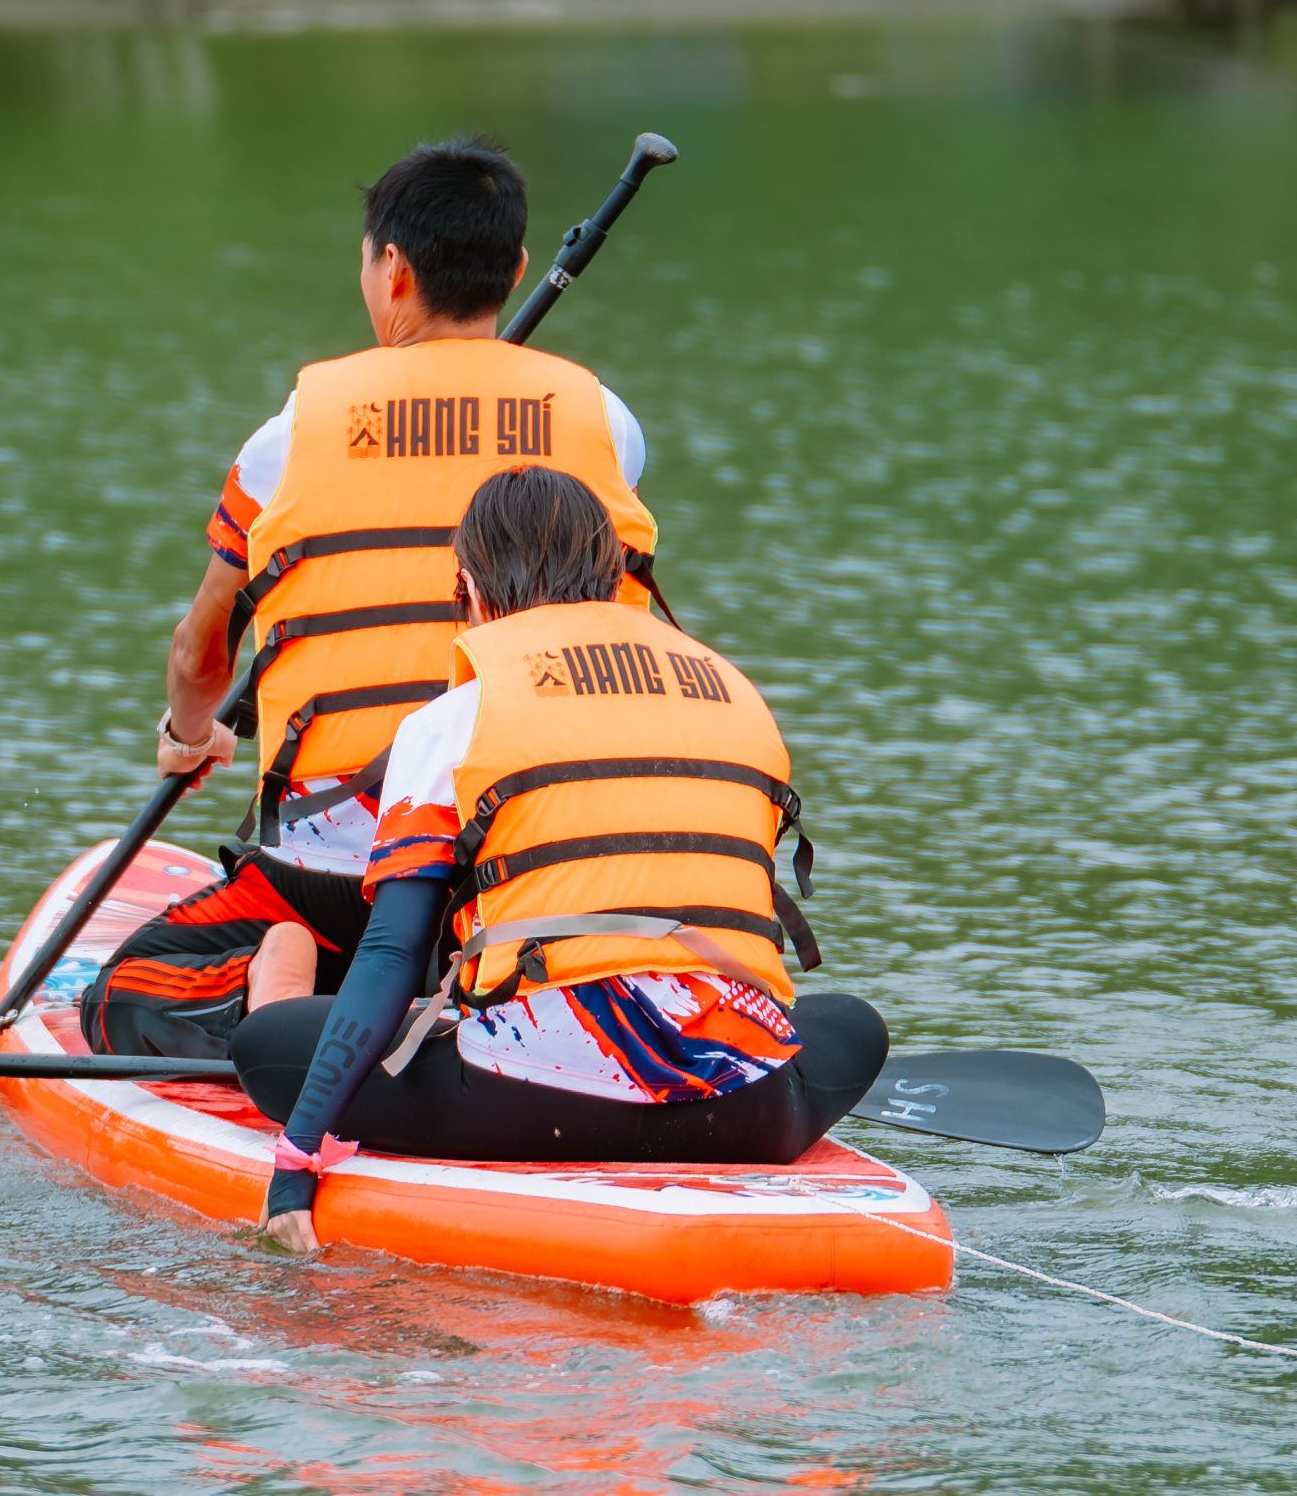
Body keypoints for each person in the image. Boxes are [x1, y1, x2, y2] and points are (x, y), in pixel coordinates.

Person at [79, 139, 663, 1060]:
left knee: (122, 999)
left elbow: (202, 650)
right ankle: (467, 1004)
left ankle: (280, 1002)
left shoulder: (293, 433)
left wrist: (192, 734)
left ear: (392, 269)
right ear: (515, 270)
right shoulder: (607, 425)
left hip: (337, 870)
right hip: (543, 854)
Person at [232, 466, 884, 1253]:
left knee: (268, 1046)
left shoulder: (451, 720)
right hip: (744, 1110)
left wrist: (297, 1158)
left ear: (467, 586)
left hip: (530, 1108)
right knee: (851, 1023)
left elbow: (393, 949)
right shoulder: (731, 691)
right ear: (613, 579)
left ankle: (282, 964)